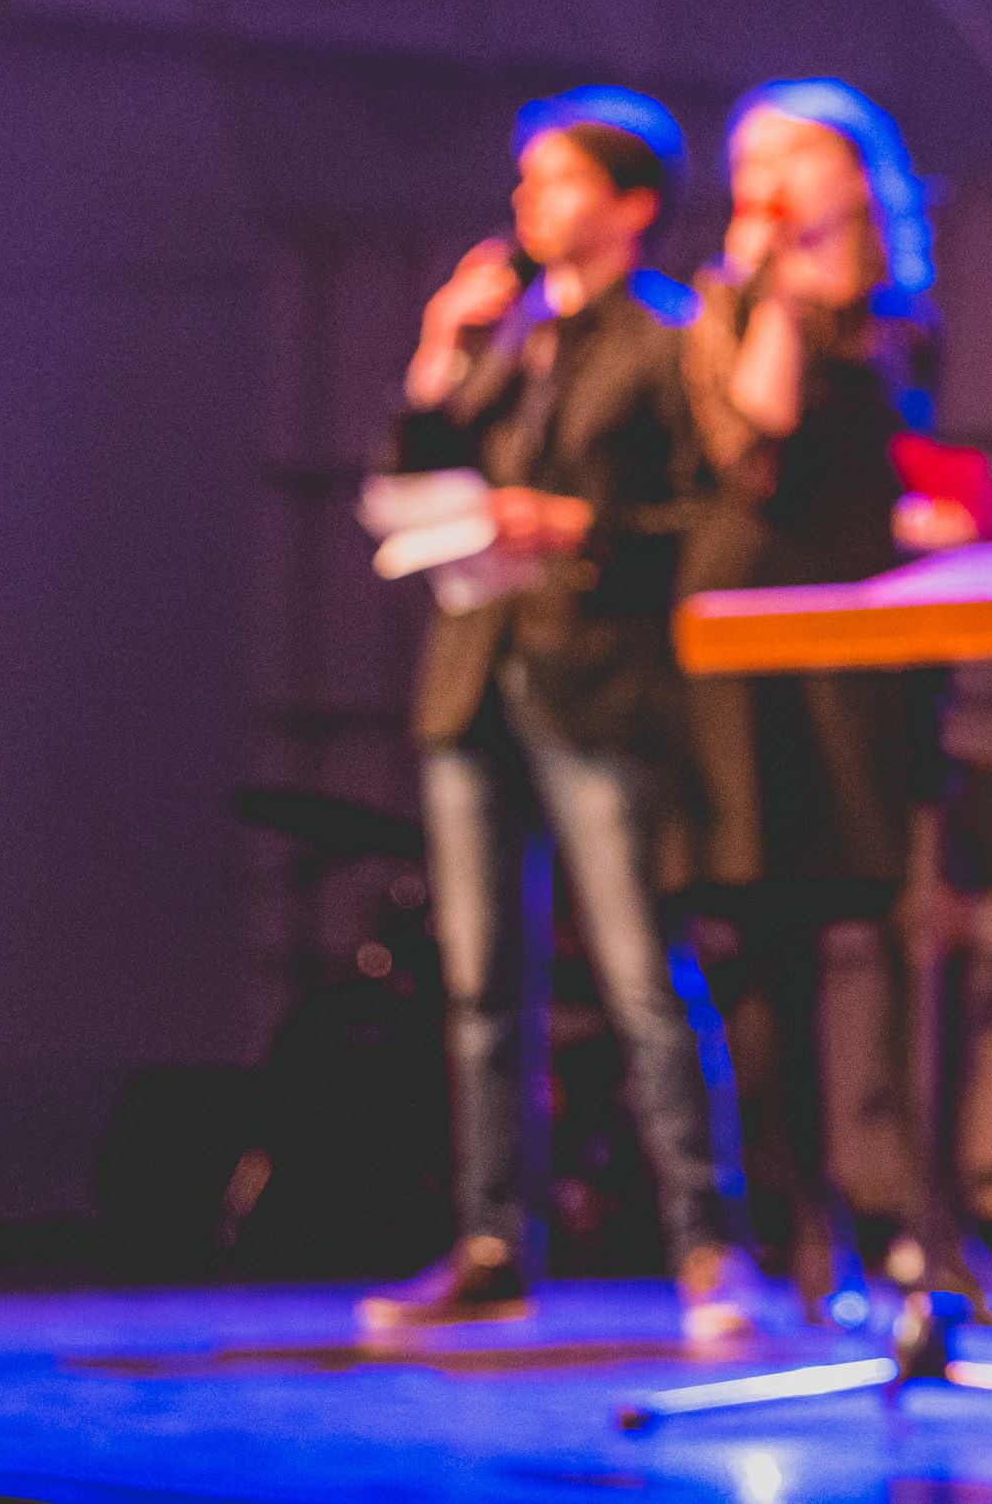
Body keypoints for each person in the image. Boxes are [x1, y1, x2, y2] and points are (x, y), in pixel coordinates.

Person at [356, 88, 774, 1344]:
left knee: (647, 972)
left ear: (631, 204)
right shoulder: (512, 339)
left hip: (600, 679)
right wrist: (439, 349)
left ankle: (708, 1242)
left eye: (555, 178)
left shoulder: (666, 340)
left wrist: (580, 529)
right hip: (476, 671)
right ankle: (493, 1240)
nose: (528, 201)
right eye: (524, 177)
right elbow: (409, 466)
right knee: (483, 981)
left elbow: (711, 524)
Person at [673, 80, 992, 1307]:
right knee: (777, 935)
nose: (764, 178)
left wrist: (935, 517)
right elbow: (753, 436)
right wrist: (765, 287)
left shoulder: (904, 310)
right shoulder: (724, 306)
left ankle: (941, 1226)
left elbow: (900, 455)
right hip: (760, 633)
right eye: (747, 158)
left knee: (927, 930)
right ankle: (811, 1235)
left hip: (883, 632)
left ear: (850, 172)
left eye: (788, 156)